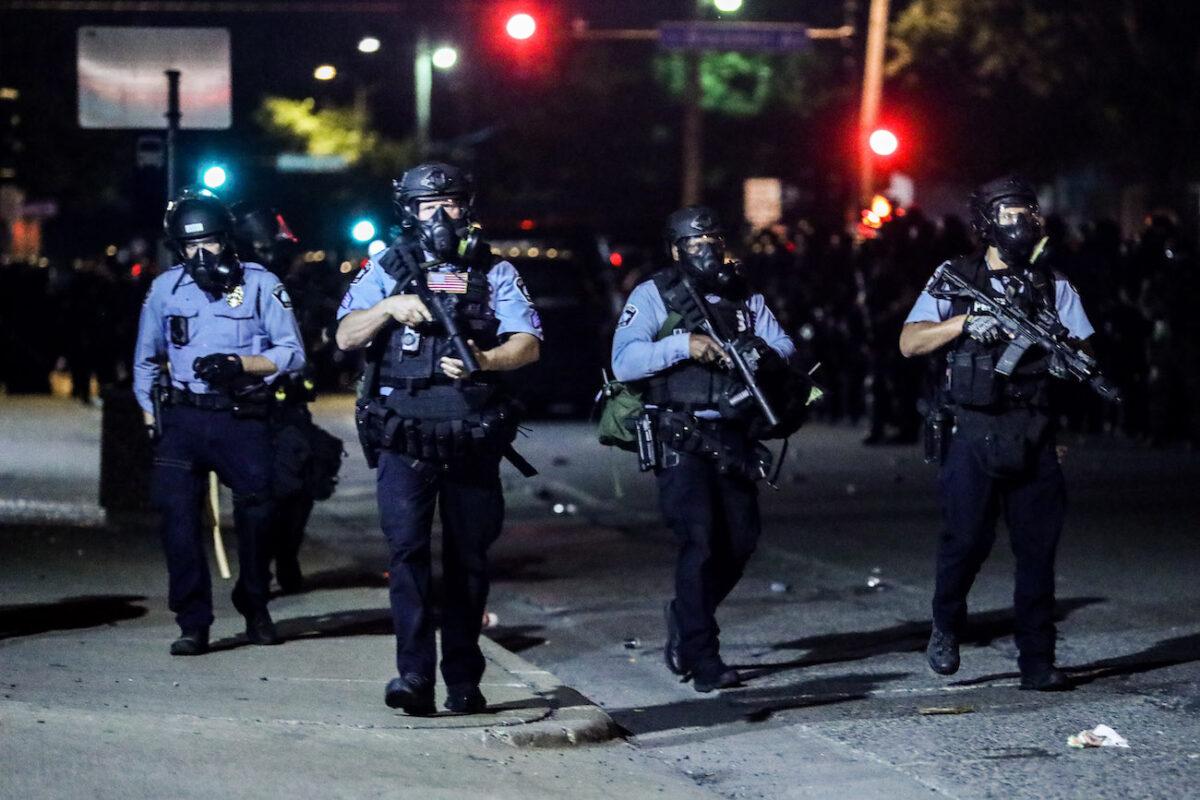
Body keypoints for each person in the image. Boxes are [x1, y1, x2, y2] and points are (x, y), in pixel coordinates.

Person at [335, 163, 542, 715]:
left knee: (468, 560)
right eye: (430, 206)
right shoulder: (387, 266)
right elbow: (344, 333)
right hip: (404, 433)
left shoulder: (492, 270)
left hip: (470, 434)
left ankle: (464, 680)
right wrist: (386, 307)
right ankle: (413, 678)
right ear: (410, 212)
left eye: (451, 204)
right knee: (406, 554)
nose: (441, 216)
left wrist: (486, 359)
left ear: (467, 209)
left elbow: (529, 341)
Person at [899, 175, 1098, 691]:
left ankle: (1037, 660)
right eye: (1010, 213)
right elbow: (909, 341)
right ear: (986, 222)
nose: (1023, 223)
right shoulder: (955, 275)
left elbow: (1087, 351)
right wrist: (964, 324)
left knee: (1037, 550)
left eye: (1028, 212)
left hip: (1033, 427)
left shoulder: (1051, 283)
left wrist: (1063, 360)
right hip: (973, 426)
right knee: (965, 541)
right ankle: (946, 624)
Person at [610, 206, 803, 693]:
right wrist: (684, 346)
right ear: (676, 250)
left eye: (714, 240)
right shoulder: (655, 293)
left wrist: (758, 349)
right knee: (699, 541)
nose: (707, 250)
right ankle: (703, 655)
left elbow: (786, 347)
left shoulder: (743, 294)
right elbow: (626, 360)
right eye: (696, 243)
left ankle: (686, 614)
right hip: (681, 432)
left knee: (740, 541)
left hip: (734, 433)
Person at [133, 191, 306, 656]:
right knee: (177, 521)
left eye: (210, 242)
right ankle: (193, 621)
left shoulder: (260, 284)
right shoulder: (165, 289)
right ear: (178, 248)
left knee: (258, 515)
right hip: (184, 418)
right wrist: (153, 419)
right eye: (192, 246)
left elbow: (293, 351)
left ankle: (254, 603)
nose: (202, 254)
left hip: (241, 416)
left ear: (227, 240)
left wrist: (242, 364)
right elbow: (146, 360)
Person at [232, 203, 342, 594]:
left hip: (290, 402)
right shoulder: (237, 288)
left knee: (304, 479)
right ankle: (257, 570)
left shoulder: (296, 289)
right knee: (260, 492)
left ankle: (285, 557)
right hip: (249, 402)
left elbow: (324, 331)